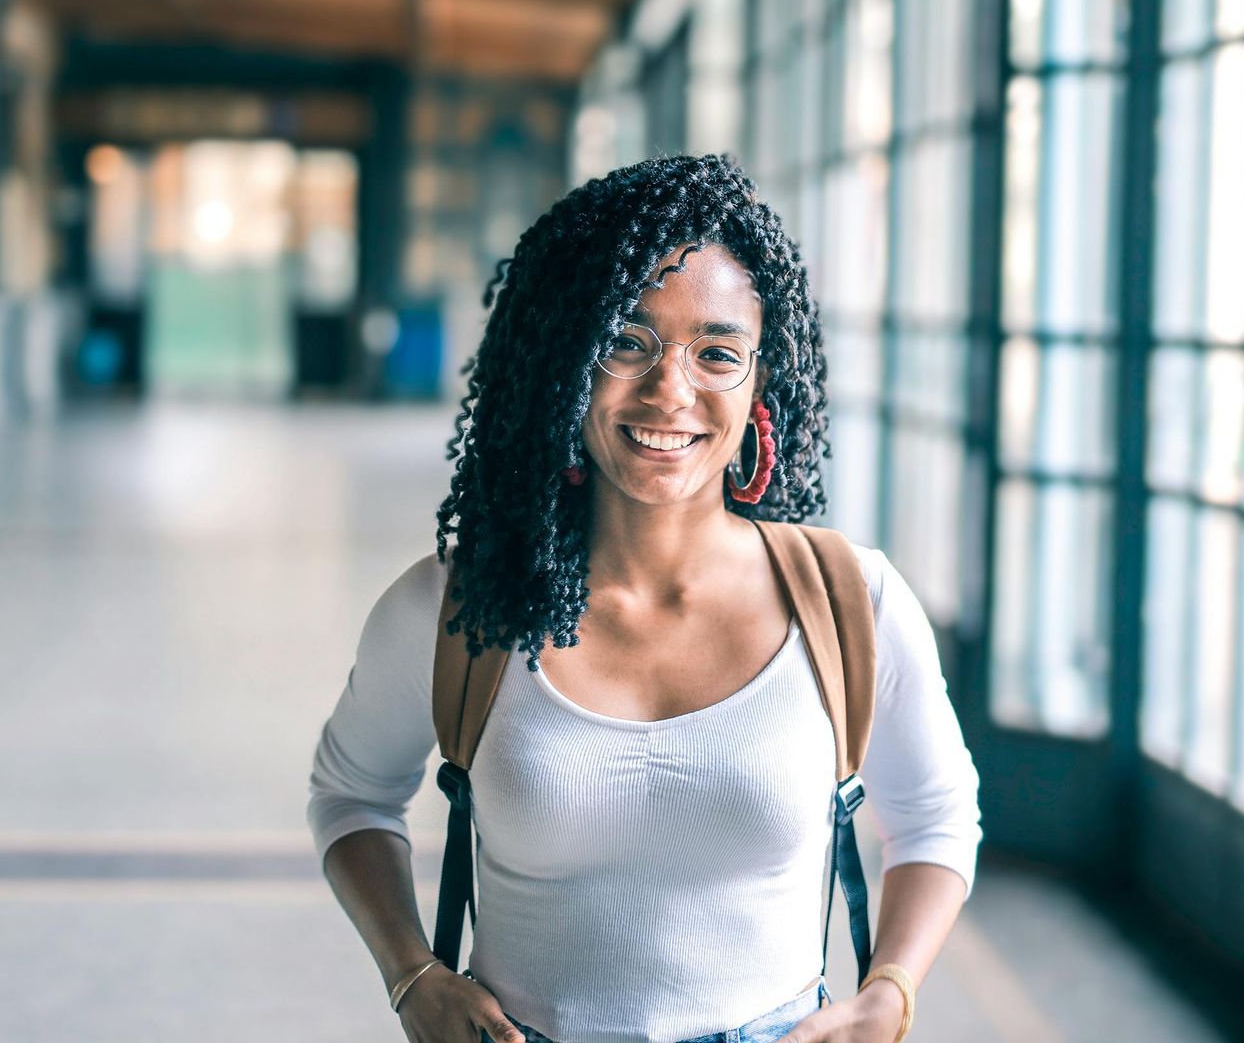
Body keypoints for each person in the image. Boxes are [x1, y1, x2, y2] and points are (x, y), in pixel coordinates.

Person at [307, 155, 980, 1043]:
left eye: (717, 352)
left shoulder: (849, 600)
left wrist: (887, 992)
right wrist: (411, 975)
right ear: (564, 361)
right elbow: (351, 796)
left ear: (759, 382)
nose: (671, 390)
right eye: (627, 341)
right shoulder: (461, 608)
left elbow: (936, 817)